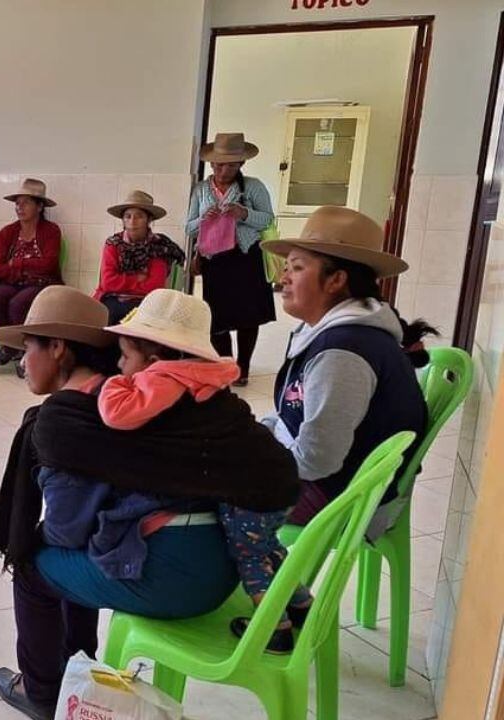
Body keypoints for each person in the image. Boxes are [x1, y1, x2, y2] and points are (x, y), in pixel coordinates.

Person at [0, 285, 299, 720]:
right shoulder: (148, 396)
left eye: (27, 347)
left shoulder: (68, 420)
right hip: (225, 562)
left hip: (180, 578)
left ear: (57, 348)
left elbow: (66, 531)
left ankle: (41, 690)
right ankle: (79, 664)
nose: (21, 361)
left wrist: (42, 534)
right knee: (74, 551)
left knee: (35, 565)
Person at [98, 289, 313, 654]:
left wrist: (114, 383)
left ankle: (272, 630)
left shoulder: (163, 378)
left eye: (124, 357)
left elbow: (118, 414)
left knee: (248, 553)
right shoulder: (199, 375)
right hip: (278, 478)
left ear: (153, 357)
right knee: (265, 545)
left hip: (253, 492)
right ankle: (301, 603)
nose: (120, 366)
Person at [261, 206, 433, 528]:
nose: (282, 278)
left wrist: (252, 456)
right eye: (286, 267)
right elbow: (294, 417)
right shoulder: (335, 333)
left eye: (296, 268)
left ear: (337, 280)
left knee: (201, 495)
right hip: (334, 482)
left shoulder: (343, 352)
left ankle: (262, 577)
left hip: (343, 498)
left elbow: (317, 461)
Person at [185, 132, 277, 386]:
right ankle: (226, 365)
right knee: (217, 318)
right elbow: (188, 227)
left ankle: (243, 366)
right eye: (220, 164)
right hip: (216, 261)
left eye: (231, 165)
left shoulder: (254, 186)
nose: (225, 170)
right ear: (212, 164)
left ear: (241, 165)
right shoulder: (201, 190)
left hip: (247, 258)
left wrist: (243, 213)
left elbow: (268, 219)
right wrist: (203, 219)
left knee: (249, 317)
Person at [0, 178, 63, 376]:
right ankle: (13, 346)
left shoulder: (51, 231)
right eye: (17, 203)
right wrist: (25, 268)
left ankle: (22, 353)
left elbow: (48, 265)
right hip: (12, 282)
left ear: (39, 206)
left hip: (43, 284)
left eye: (26, 202)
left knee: (18, 303)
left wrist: (17, 263)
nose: (19, 207)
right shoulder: (7, 233)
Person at [94, 189, 184, 324]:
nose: (132, 221)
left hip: (147, 302)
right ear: (123, 220)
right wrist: (138, 278)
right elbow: (107, 282)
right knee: (104, 319)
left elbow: (155, 286)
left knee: (138, 322)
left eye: (139, 216)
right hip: (111, 299)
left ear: (149, 219)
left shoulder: (159, 246)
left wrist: (122, 281)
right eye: (128, 216)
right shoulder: (113, 244)